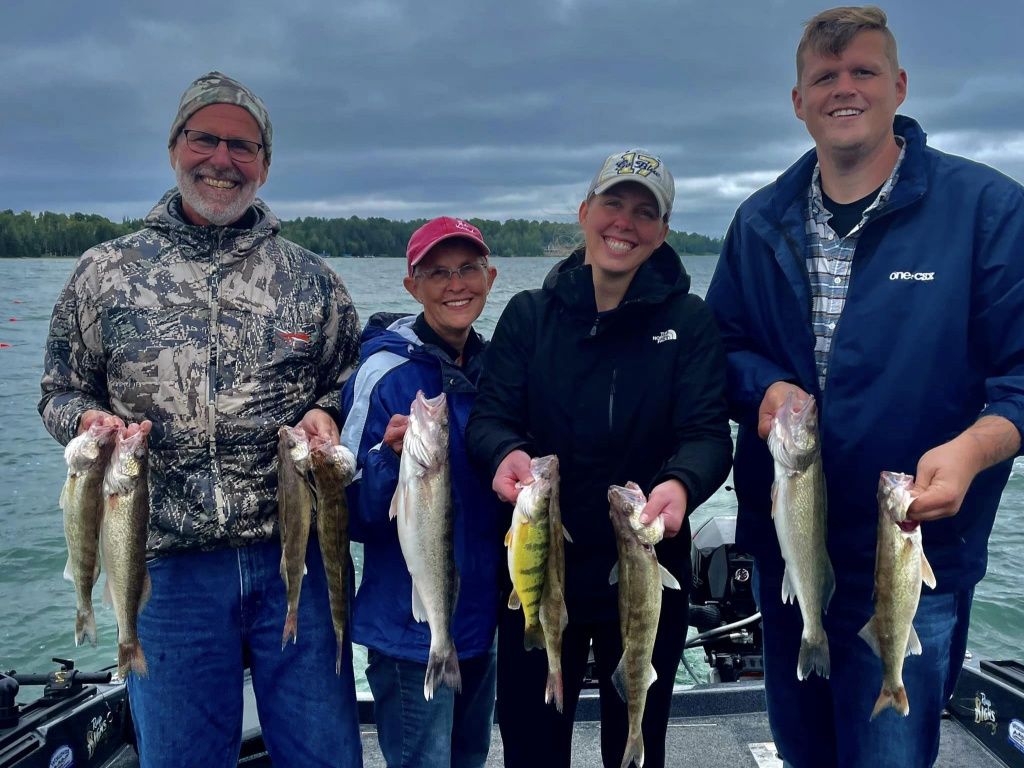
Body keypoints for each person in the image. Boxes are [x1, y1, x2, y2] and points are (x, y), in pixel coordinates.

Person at [704, 7, 1024, 767]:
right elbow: (720, 348)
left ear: (899, 86)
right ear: (798, 101)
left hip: (918, 547)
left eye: (863, 72)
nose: (844, 89)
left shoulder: (987, 210)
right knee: (803, 749)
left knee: (889, 752)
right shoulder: (759, 221)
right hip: (790, 552)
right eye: (825, 76)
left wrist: (974, 449)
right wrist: (765, 391)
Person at [38, 71, 363, 768]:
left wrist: (323, 412)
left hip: (293, 562)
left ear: (266, 164)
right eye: (205, 139)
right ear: (174, 148)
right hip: (164, 571)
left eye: (242, 146)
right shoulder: (105, 272)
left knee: (326, 756)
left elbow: (343, 382)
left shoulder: (311, 278)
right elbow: (57, 391)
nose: (222, 160)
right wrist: (85, 421)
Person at [465, 150, 733, 768]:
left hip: (646, 564)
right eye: (613, 203)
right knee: (532, 742)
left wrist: (681, 484)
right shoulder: (529, 317)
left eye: (646, 212)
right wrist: (506, 454)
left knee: (637, 740)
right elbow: (490, 421)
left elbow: (708, 435)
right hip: (540, 563)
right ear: (585, 213)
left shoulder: (688, 323)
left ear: (663, 232)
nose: (625, 222)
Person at [340, 217, 501, 768]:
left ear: (490, 276)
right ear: (412, 285)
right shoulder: (382, 373)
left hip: (481, 621)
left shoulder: (496, 370)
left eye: (468, 269)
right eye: (437, 273)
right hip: (408, 630)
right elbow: (349, 510)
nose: (455, 284)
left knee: (470, 758)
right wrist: (387, 458)